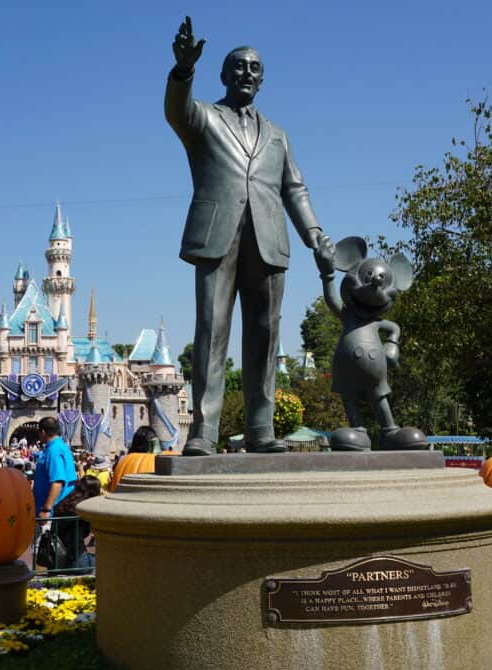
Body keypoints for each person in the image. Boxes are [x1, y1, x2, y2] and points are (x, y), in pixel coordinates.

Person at [166, 17, 329, 455]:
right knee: (211, 330)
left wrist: (315, 235)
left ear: (263, 78)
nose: (247, 74)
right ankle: (203, 432)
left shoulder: (278, 134)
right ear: (223, 74)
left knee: (265, 335)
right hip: (217, 235)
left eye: (255, 68)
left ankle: (262, 430)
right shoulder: (204, 117)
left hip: (268, 238)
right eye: (238, 66)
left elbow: (294, 188)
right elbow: (176, 112)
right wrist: (182, 72)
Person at [33, 417, 76, 520]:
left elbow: (57, 481)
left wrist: (46, 509)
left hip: (52, 513)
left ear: (42, 432)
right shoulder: (60, 447)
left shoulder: (54, 451)